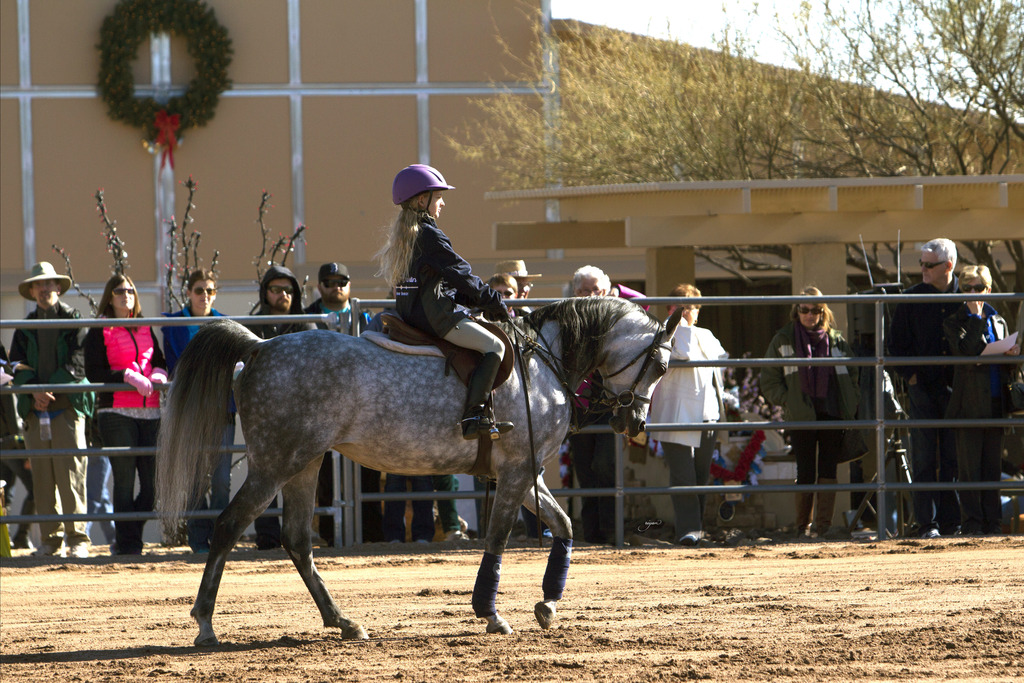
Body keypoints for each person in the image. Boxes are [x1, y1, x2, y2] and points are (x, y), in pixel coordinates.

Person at [376, 163, 512, 439]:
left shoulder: (406, 235)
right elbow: (461, 273)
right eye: (438, 197)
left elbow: (443, 282)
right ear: (422, 200)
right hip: (436, 318)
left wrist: (477, 301)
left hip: (412, 315)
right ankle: (474, 416)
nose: (443, 203)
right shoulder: (430, 235)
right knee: (495, 346)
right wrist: (494, 301)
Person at [9, 262, 94, 558]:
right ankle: (50, 540)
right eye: (38, 284)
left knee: (72, 476)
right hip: (34, 412)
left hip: (67, 410)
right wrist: (35, 391)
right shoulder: (24, 327)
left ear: (58, 287)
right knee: (42, 479)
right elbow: (16, 365)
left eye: (48, 283)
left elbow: (78, 363)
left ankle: (78, 539)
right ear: (32, 291)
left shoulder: (74, 320)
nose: (44, 289)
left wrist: (48, 391)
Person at [761, 286, 860, 539]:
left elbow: (853, 375)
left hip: (832, 411)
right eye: (804, 310)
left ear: (822, 312)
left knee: (828, 469)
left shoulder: (837, 340)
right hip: (801, 414)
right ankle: (802, 528)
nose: (809, 315)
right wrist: (788, 401)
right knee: (805, 470)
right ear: (797, 311)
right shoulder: (783, 338)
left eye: (815, 310)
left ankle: (823, 527)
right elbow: (769, 379)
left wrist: (851, 401)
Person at [83, 273, 167, 556]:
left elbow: (158, 359)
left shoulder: (144, 325)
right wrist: (125, 376)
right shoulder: (100, 328)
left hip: (150, 410)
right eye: (119, 291)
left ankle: (126, 538)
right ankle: (130, 546)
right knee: (124, 482)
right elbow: (93, 372)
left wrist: (159, 372)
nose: (125, 295)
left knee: (152, 487)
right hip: (116, 411)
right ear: (110, 297)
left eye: (130, 290)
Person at [887, 238, 962, 538]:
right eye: (921, 264)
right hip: (923, 388)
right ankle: (927, 523)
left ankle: (952, 522)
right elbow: (894, 345)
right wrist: (912, 377)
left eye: (929, 265)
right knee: (924, 456)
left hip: (956, 388)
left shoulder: (965, 297)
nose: (923, 269)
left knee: (953, 457)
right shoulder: (911, 298)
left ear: (948, 266)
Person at [305, 262, 383, 545]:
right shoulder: (306, 317)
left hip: (363, 407)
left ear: (350, 285)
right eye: (329, 282)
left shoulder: (365, 316)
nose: (336, 287)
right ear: (319, 287)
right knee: (324, 475)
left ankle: (372, 536)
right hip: (322, 408)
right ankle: (329, 537)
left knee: (369, 473)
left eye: (342, 281)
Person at [161, 269, 235, 553]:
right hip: (190, 411)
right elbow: (174, 366)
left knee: (221, 480)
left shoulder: (225, 324)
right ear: (189, 293)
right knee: (193, 480)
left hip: (221, 409)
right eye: (199, 290)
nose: (205, 296)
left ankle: (219, 537)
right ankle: (198, 540)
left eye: (210, 291)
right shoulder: (172, 324)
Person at [649, 283, 728, 546]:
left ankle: (697, 529)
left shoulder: (707, 334)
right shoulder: (663, 332)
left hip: (707, 412)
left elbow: (722, 363)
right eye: (680, 306)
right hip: (676, 414)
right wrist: (679, 322)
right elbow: (683, 352)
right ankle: (688, 531)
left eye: (691, 307)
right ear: (669, 308)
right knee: (683, 476)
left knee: (701, 475)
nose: (686, 311)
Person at [943, 265, 1019, 535]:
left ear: (988, 289)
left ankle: (993, 523)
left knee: (992, 469)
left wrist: (1012, 355)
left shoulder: (998, 320)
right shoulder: (955, 321)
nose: (973, 293)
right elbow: (965, 353)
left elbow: (999, 360)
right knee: (969, 470)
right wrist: (975, 318)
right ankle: (972, 524)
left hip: (997, 402)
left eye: (979, 288)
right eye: (967, 288)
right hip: (968, 404)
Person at [247, 264, 316, 549]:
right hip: (264, 415)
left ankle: (297, 536)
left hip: (302, 415)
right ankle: (267, 536)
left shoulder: (306, 324)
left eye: (288, 290)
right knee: (264, 475)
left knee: (300, 478)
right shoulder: (252, 327)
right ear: (265, 293)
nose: (283, 295)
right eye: (276, 289)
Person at [566, 265, 620, 544]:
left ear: (606, 291)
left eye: (596, 290)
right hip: (579, 405)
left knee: (605, 465)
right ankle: (591, 534)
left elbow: (642, 302)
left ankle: (611, 530)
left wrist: (617, 293)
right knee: (585, 471)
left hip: (608, 403)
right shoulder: (569, 319)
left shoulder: (615, 315)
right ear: (575, 293)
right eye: (584, 291)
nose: (590, 296)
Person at [1, 342, 35, 551]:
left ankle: (4, 540)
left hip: (3, 446)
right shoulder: (7, 384)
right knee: (36, 489)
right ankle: (21, 535)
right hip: (13, 445)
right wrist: (27, 451)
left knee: (6, 494)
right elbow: (15, 422)